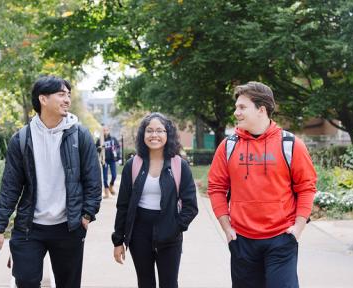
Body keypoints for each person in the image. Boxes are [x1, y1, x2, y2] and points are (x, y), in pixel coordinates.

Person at [0, 76, 101, 288]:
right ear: (43, 99)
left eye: (68, 94)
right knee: (26, 281)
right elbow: (10, 188)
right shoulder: (21, 139)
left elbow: (93, 180)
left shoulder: (80, 136)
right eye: (61, 94)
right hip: (30, 227)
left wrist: (86, 215)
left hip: (68, 228)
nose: (67, 99)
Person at [207, 81, 317, 288]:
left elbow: (306, 187)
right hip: (242, 240)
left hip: (281, 238)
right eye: (236, 107)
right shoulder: (228, 146)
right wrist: (227, 228)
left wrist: (298, 229)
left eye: (242, 107)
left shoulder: (291, 145)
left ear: (261, 110)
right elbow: (216, 188)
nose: (236, 112)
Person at [112, 112, 198, 288]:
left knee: (169, 283)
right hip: (139, 234)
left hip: (170, 234)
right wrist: (118, 240)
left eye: (160, 130)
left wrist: (175, 227)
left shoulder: (179, 165)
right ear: (143, 135)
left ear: (168, 134)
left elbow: (191, 206)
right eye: (149, 130)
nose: (154, 135)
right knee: (145, 283)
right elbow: (123, 206)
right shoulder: (132, 165)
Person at [100, 125, 121, 198]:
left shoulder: (113, 139)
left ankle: (111, 186)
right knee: (105, 176)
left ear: (109, 131)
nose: (105, 132)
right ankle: (106, 192)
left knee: (114, 175)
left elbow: (118, 147)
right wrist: (99, 148)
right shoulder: (100, 140)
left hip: (112, 159)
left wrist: (116, 151)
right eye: (104, 130)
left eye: (106, 130)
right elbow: (95, 148)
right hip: (104, 160)